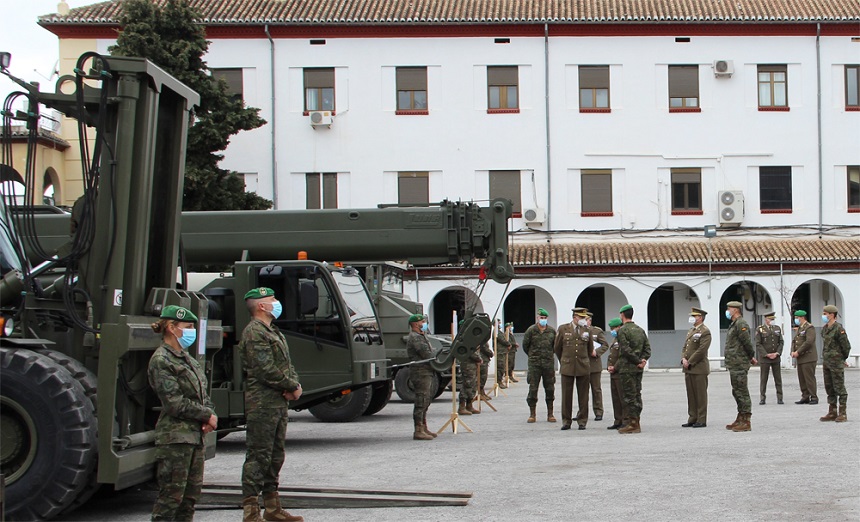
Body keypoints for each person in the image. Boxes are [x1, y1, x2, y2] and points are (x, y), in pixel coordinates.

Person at [239, 287, 304, 522]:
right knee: (259, 456)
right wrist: (290, 386)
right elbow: (264, 369)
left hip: (277, 401)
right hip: (262, 403)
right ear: (261, 306)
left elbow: (286, 364)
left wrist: (293, 384)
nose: (277, 302)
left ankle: (272, 508)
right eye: (272, 300)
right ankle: (251, 511)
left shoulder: (273, 331)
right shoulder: (254, 332)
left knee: (275, 456)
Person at [147, 305, 217, 522]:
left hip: (194, 437)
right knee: (171, 499)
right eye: (187, 327)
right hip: (175, 439)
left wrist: (208, 415)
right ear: (171, 327)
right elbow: (174, 403)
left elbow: (202, 394)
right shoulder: (162, 360)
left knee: (189, 498)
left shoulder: (185, 357)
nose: (191, 332)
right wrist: (206, 415)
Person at [553, 308, 593, 430]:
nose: (583, 320)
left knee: (583, 396)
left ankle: (582, 421)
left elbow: (590, 347)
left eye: (584, 318)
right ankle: (566, 421)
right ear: (575, 317)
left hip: (583, 366)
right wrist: (564, 360)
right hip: (568, 366)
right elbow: (557, 348)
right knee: (566, 396)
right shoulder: (563, 329)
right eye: (581, 318)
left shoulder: (587, 330)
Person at [615, 304, 650, 434]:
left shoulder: (622, 330)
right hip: (638, 368)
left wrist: (637, 361)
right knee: (637, 394)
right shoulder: (640, 330)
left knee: (629, 396)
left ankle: (633, 424)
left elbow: (625, 349)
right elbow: (647, 349)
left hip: (627, 368)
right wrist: (643, 360)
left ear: (622, 315)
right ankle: (636, 421)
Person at [724, 301, 757, 432]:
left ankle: (746, 420)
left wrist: (751, 356)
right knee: (736, 391)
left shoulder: (741, 323)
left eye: (729, 309)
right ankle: (740, 417)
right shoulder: (734, 323)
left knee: (742, 391)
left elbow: (747, 342)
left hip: (739, 362)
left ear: (735, 310)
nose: (727, 311)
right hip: (734, 362)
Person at [522, 308, 557, 423]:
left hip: (548, 364)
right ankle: (532, 414)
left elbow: (555, 346)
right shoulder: (531, 330)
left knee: (550, 389)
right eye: (541, 318)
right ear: (537, 318)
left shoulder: (552, 331)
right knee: (533, 389)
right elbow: (525, 346)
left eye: (545, 318)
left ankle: (550, 414)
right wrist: (534, 356)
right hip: (534, 364)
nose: (543, 320)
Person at [406, 313, 437, 440]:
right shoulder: (415, 337)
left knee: (426, 399)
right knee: (421, 399)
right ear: (415, 324)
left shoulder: (421, 335)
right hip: (420, 372)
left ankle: (423, 427)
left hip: (426, 370)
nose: (424, 323)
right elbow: (426, 354)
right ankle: (418, 430)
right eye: (421, 321)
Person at [819, 305, 851, 422]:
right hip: (827, 362)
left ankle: (842, 413)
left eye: (825, 314)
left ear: (832, 315)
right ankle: (832, 411)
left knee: (839, 387)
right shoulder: (824, 328)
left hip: (836, 362)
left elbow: (846, 346)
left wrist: (841, 359)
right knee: (829, 387)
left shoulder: (838, 329)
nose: (824, 316)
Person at [681, 307, 711, 428]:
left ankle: (701, 419)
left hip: (699, 367)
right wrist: (683, 358)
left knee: (700, 394)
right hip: (688, 367)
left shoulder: (705, 331)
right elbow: (685, 347)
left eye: (694, 316)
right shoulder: (691, 331)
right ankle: (692, 417)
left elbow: (702, 350)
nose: (692, 318)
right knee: (691, 394)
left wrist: (690, 361)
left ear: (700, 317)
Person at [755, 312, 784, 405]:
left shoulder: (777, 328)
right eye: (770, 319)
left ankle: (780, 397)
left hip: (775, 357)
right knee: (764, 379)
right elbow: (758, 343)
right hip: (765, 358)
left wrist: (777, 353)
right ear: (766, 319)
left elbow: (781, 342)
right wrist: (766, 354)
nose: (772, 321)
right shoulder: (760, 329)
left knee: (778, 379)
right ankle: (762, 397)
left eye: (773, 319)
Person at [790, 310, 818, 405]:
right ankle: (805, 396)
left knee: (809, 378)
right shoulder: (800, 328)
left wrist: (798, 352)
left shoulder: (809, 328)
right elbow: (795, 341)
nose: (796, 320)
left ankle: (813, 397)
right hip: (800, 358)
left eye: (797, 318)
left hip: (808, 357)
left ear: (802, 318)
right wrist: (792, 351)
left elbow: (808, 342)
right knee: (802, 378)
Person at [586, 311, 609, 421]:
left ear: (590, 320)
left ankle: (598, 411)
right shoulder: (578, 331)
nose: (586, 321)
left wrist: (597, 352)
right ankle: (582, 412)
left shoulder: (597, 331)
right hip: (582, 365)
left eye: (587, 319)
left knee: (596, 390)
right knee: (582, 390)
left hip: (594, 364)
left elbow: (605, 345)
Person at [604, 318, 626, 430]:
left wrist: (615, 367)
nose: (612, 330)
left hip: (620, 371)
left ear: (619, 327)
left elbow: (622, 355)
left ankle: (624, 420)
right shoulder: (615, 339)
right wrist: (609, 366)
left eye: (613, 328)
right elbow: (611, 355)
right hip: (613, 372)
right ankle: (617, 420)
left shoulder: (622, 338)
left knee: (622, 397)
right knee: (615, 398)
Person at [458, 338, 483, 416]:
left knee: (472, 385)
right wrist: (478, 359)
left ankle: (469, 405)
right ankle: (462, 407)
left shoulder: (471, 337)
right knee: (467, 385)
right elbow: (471, 351)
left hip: (472, 365)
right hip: (467, 365)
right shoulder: (466, 338)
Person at [495, 324, 514, 388]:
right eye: (499, 323)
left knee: (503, 366)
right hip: (500, 352)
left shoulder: (499, 332)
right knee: (500, 367)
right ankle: (499, 381)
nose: (500, 324)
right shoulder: (497, 332)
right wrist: (508, 344)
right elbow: (503, 340)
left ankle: (500, 380)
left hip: (502, 352)